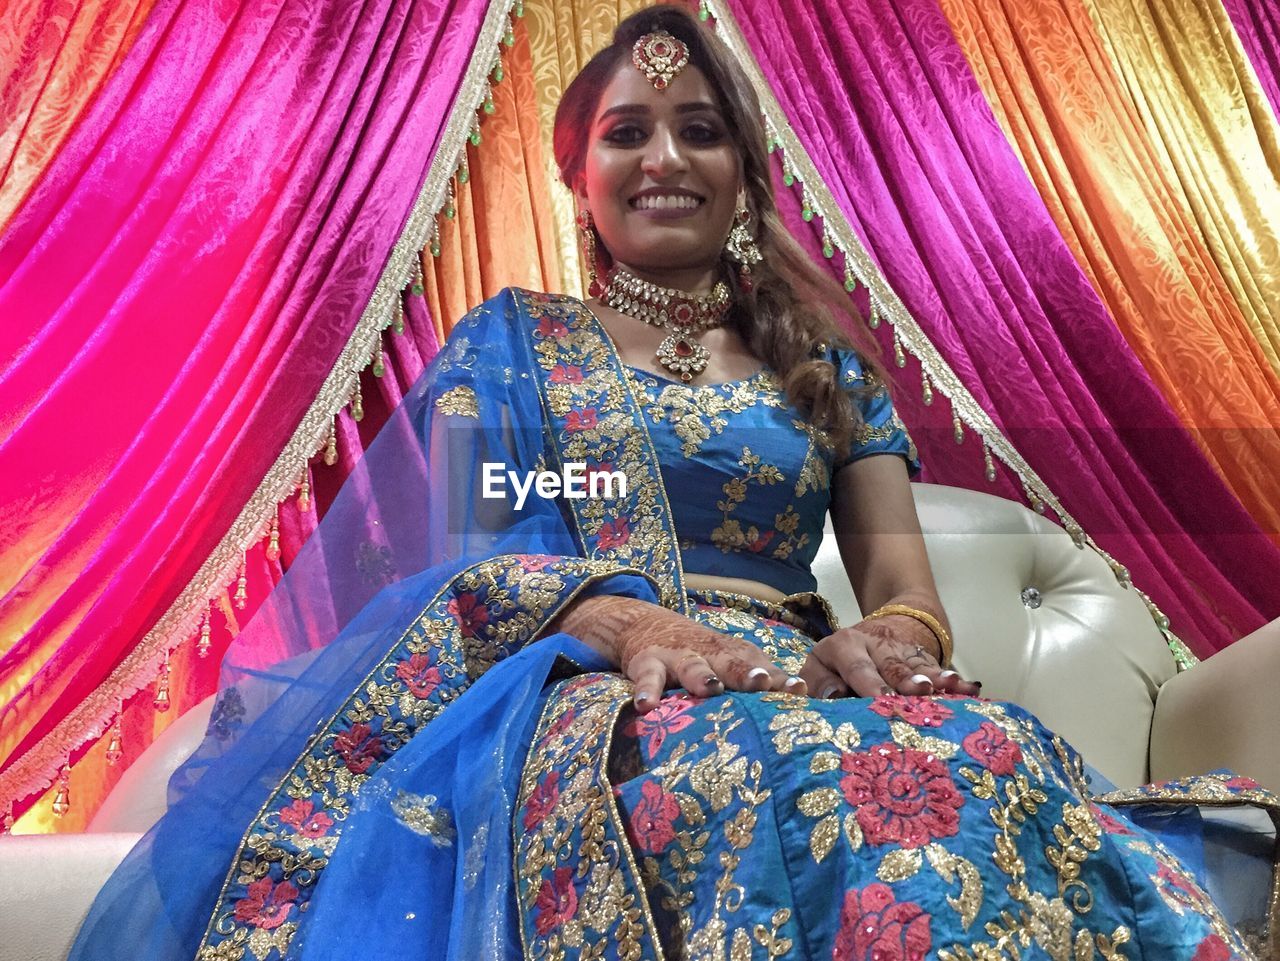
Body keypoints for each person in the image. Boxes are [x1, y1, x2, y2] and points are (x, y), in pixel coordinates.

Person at [69, 6, 1270, 960]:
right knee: (755, 774)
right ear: (577, 172)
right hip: (579, 677)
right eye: (627, 130)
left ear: (744, 169)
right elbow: (468, 559)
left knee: (980, 748)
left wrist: (889, 644)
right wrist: (628, 617)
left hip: (796, 673)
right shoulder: (515, 348)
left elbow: (901, 584)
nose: (663, 157)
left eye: (699, 129)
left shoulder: (823, 367)